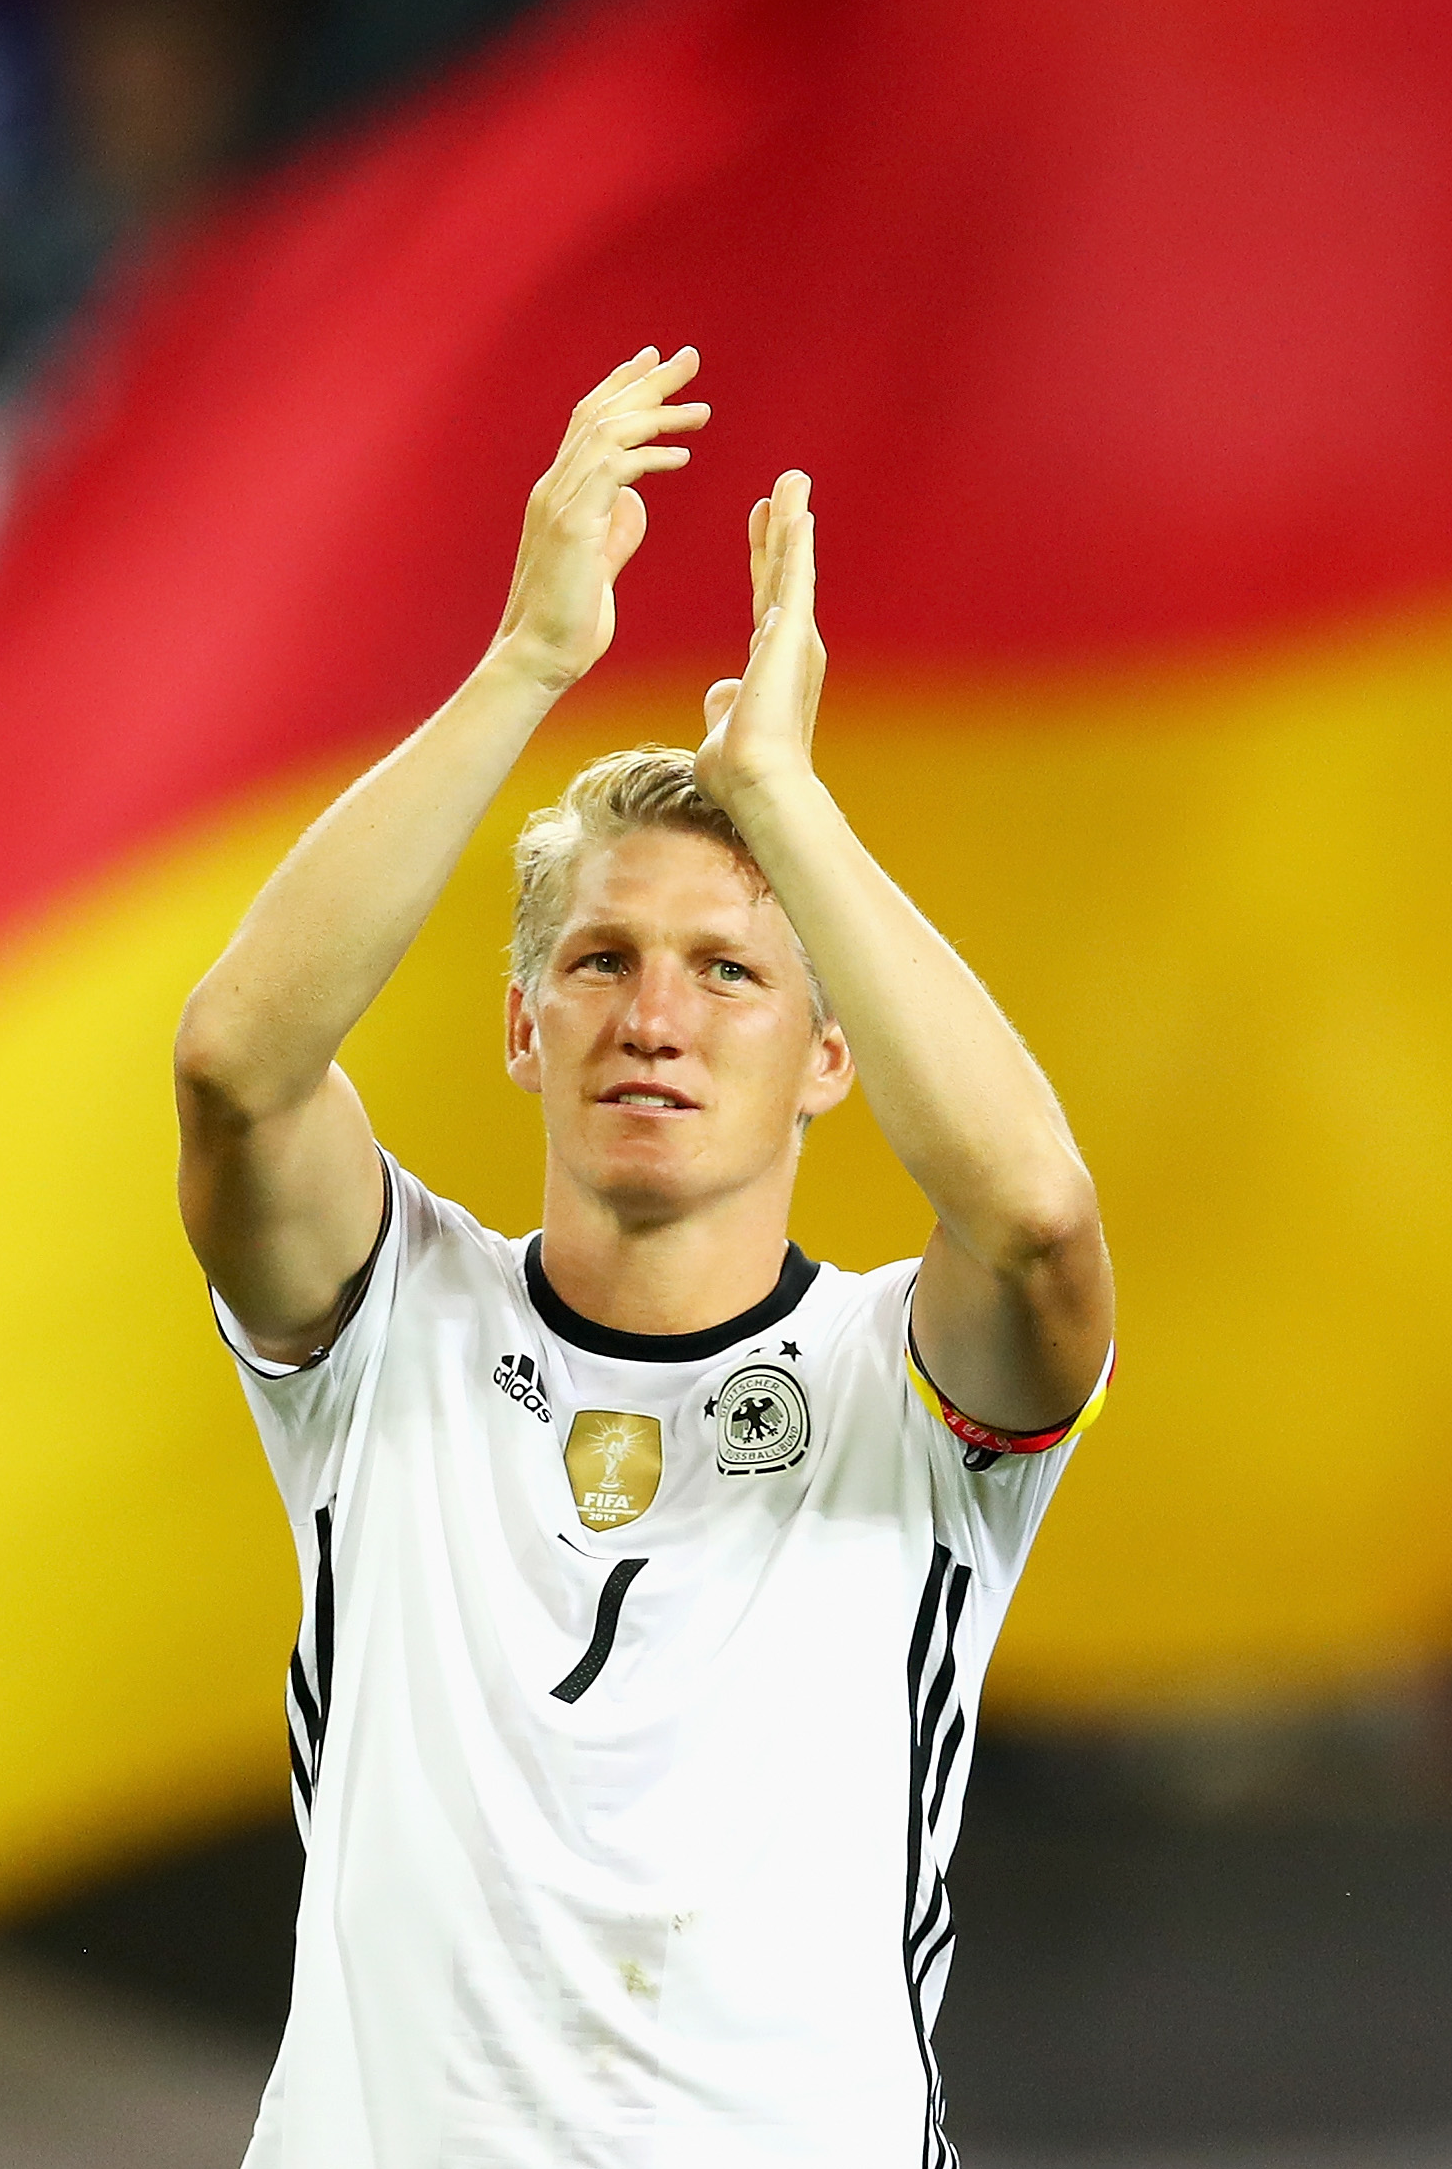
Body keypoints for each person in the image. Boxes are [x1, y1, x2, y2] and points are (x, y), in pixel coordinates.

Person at [170, 346, 1115, 2164]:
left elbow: (1038, 1219)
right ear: (524, 1025)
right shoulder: (394, 1332)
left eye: (731, 971)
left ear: (831, 1059)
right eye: (601, 962)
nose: (655, 1017)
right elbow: (233, 1066)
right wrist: (525, 661)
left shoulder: (904, 1397)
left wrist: (787, 799)